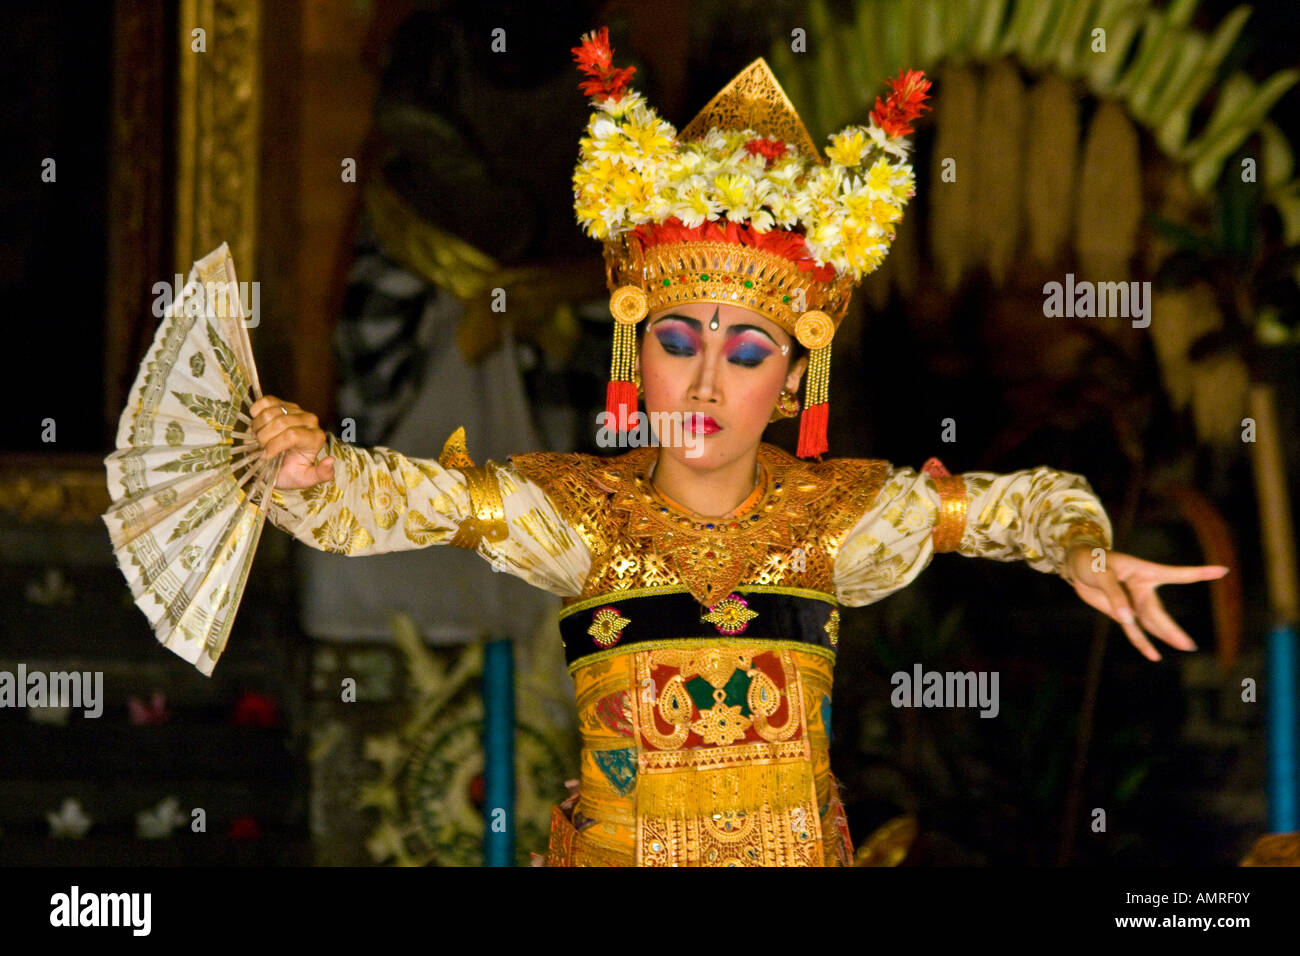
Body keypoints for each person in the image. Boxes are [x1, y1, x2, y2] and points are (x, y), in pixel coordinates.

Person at [251, 29, 1228, 866]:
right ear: (637, 345)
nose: (707, 381)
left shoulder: (835, 517)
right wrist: (311, 470)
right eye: (679, 339)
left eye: (747, 348)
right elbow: (403, 500)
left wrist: (1081, 547)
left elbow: (1011, 504)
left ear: (793, 376)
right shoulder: (579, 512)